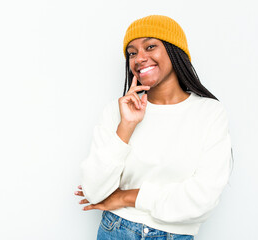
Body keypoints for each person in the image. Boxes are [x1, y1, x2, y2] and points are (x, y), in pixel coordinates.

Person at [74, 15, 233, 239]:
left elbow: (202, 199)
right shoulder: (116, 111)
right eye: (132, 53)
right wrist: (127, 126)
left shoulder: (209, 113)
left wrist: (126, 197)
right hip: (116, 229)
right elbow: (93, 191)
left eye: (150, 47)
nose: (139, 58)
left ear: (174, 51)